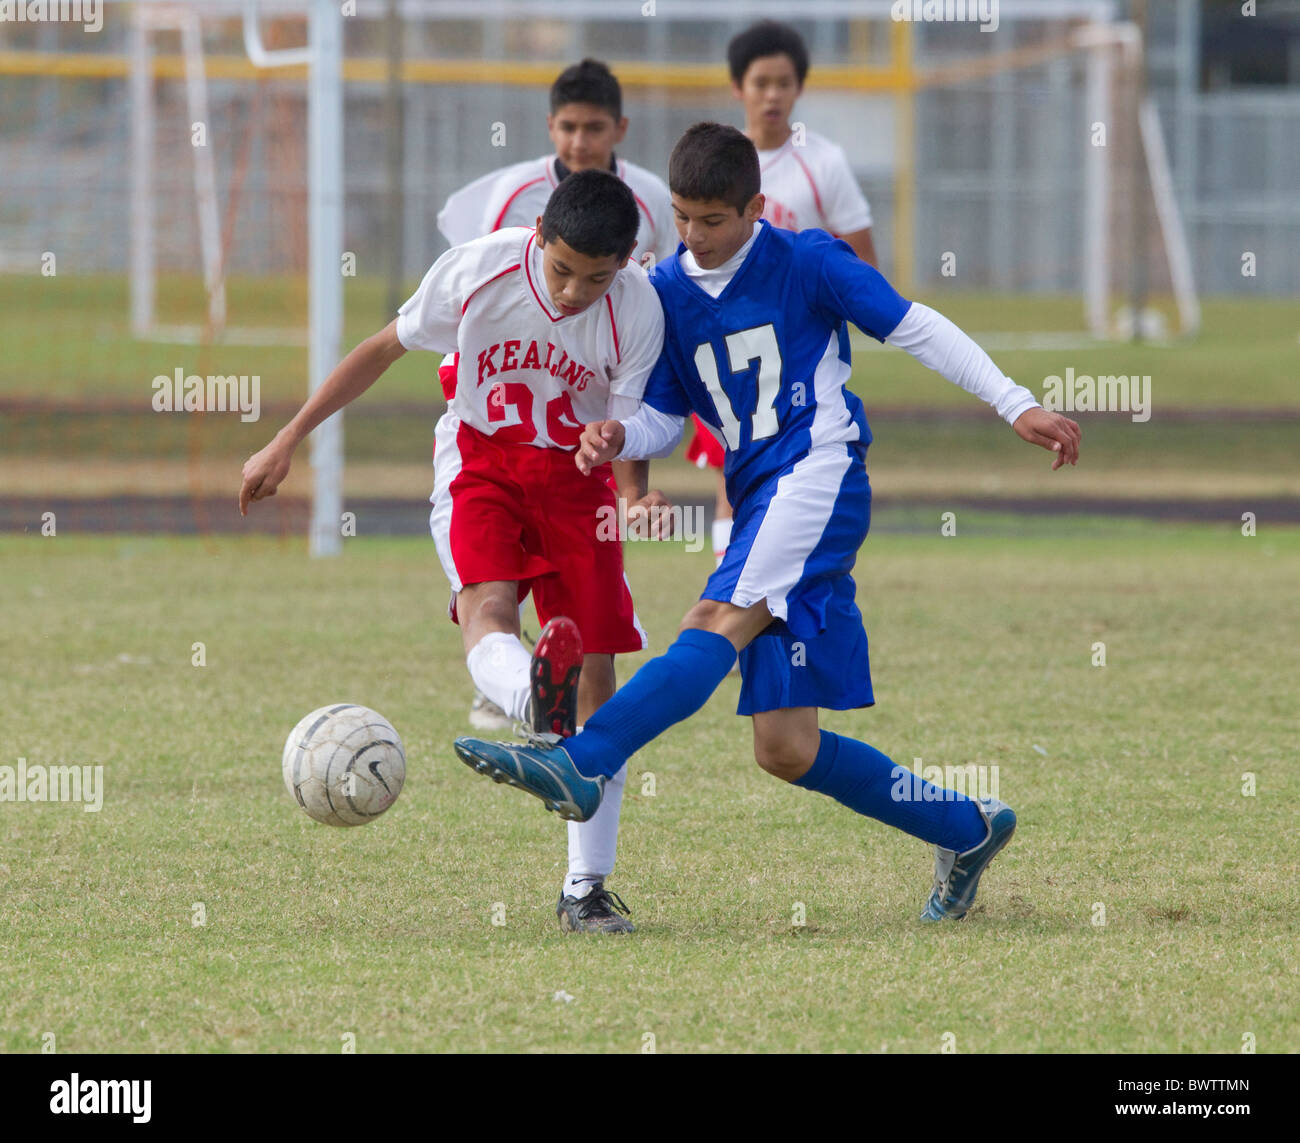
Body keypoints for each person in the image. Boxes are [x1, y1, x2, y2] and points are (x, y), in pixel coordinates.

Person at [452, 123, 1082, 924]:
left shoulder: (807, 261)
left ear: (755, 207)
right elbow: (665, 420)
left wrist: (1014, 400)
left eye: (713, 219)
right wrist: (620, 437)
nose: (694, 236)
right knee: (785, 747)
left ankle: (583, 758)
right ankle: (967, 827)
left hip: (819, 472)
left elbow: (914, 324)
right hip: (760, 499)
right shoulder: (667, 293)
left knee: (711, 619)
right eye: (681, 216)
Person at [239, 170, 668, 933]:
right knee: (487, 606)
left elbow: (629, 422)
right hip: (483, 463)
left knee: (600, 674)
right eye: (562, 268)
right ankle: (534, 699)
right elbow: (379, 349)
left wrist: (619, 449)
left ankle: (585, 887)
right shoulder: (479, 269)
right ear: (539, 234)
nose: (573, 292)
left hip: (576, 485)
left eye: (595, 278)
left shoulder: (638, 307)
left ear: (627, 264)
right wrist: (287, 437)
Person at [438, 58, 678, 731]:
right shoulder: (505, 211)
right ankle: (513, 681)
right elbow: (463, 303)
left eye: (594, 127)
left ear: (618, 129)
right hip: (484, 429)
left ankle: (527, 688)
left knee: (593, 654)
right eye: (567, 128)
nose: (580, 141)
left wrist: (631, 491)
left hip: (581, 444)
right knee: (483, 593)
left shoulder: (648, 214)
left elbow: (633, 376)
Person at [690, 20, 880, 567]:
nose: (772, 95)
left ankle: (769, 596)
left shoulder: (824, 164)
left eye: (784, 82)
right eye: (760, 82)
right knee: (733, 474)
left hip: (797, 353)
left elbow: (863, 266)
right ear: (737, 88)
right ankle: (728, 593)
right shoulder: (716, 165)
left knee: (794, 473)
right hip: (726, 345)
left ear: (799, 87)